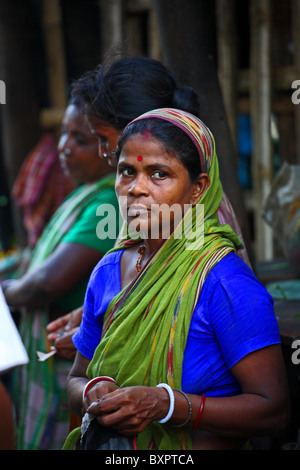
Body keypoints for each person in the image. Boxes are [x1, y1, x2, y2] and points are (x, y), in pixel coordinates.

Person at [63, 108, 289, 451]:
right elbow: (75, 379)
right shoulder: (108, 271)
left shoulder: (223, 282)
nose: (137, 189)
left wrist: (166, 404)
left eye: (159, 174)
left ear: (198, 188)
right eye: (127, 171)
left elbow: (273, 411)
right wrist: (95, 388)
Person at [47, 55, 250, 360]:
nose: (105, 153)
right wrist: (89, 318)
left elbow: (179, 307)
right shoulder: (146, 215)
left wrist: (100, 337)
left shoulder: (196, 226)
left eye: (104, 139)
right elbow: (139, 286)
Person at [0, 96, 119, 449]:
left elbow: (46, 283)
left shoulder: (108, 203)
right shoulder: (83, 194)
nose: (64, 148)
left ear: (109, 147)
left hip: (67, 355)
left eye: (79, 139)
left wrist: (6, 290)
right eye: (64, 135)